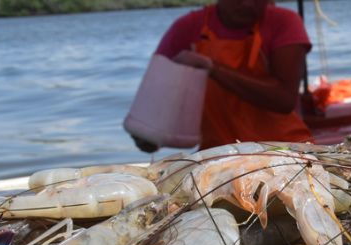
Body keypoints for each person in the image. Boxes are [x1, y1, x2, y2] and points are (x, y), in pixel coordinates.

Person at [132, 0, 313, 152]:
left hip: (284, 150)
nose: (247, 3)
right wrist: (148, 133)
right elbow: (152, 108)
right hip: (216, 155)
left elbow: (284, 99)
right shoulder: (187, 28)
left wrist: (213, 69)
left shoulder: (284, 22)